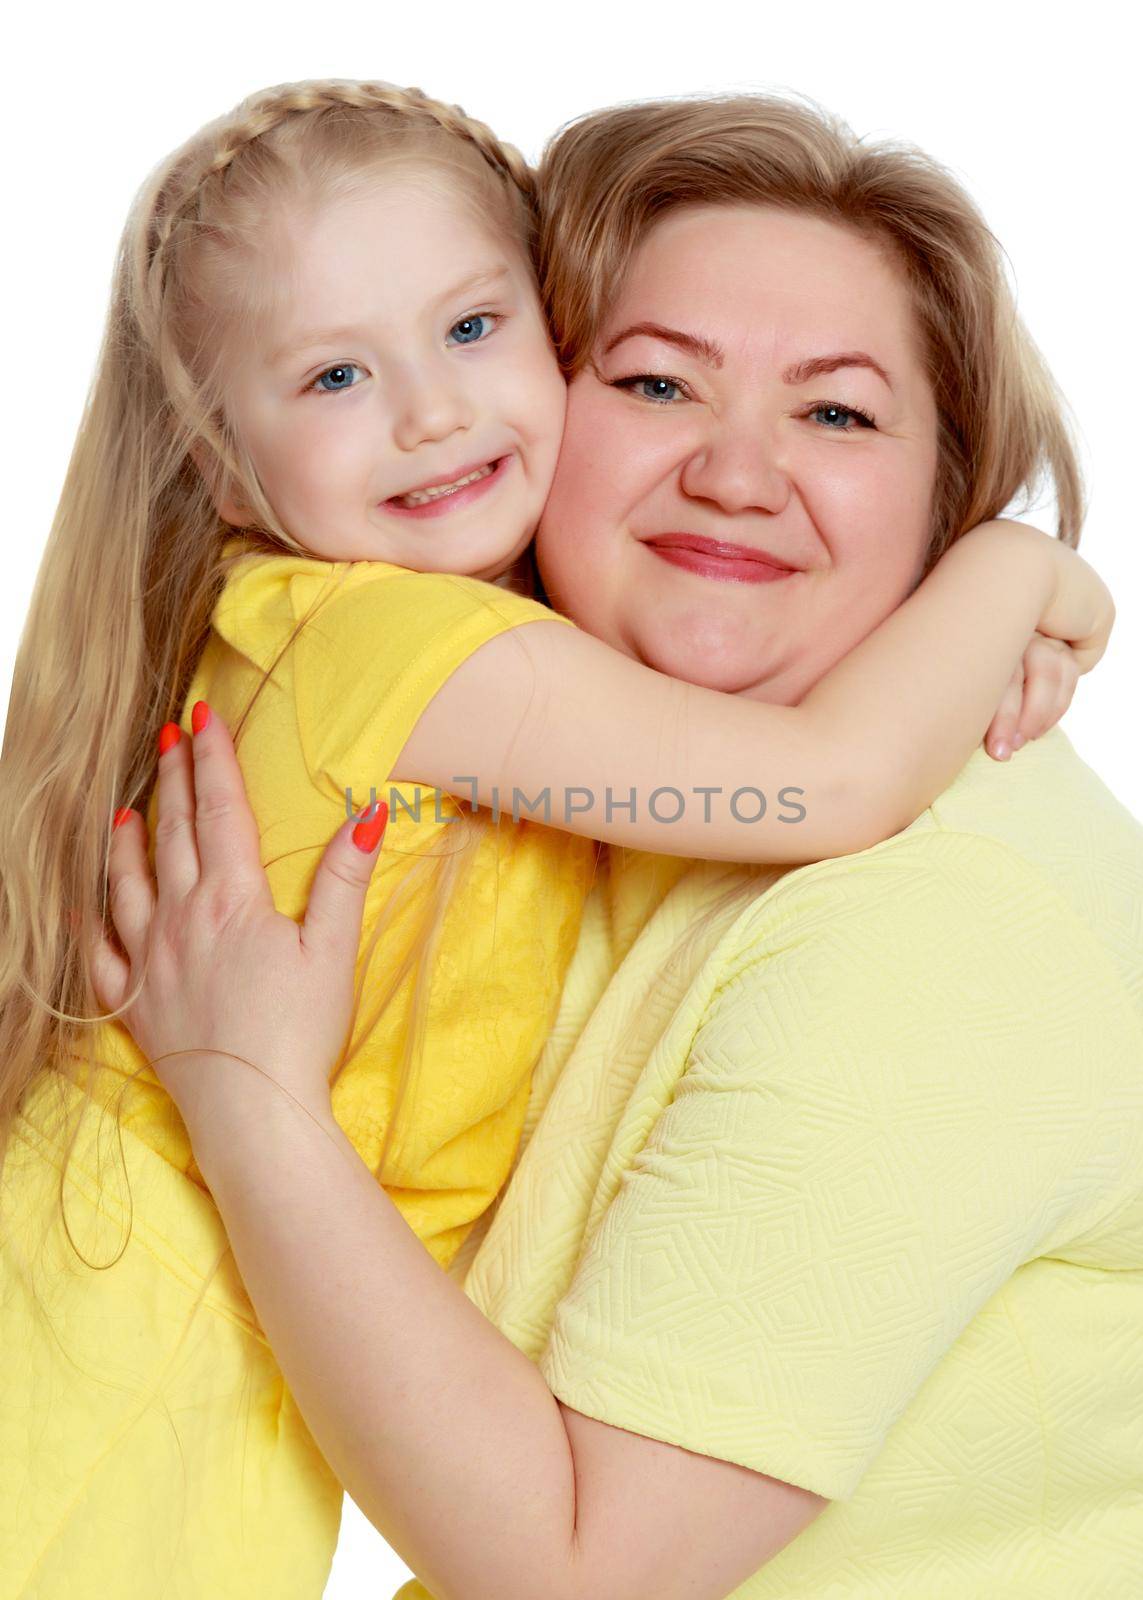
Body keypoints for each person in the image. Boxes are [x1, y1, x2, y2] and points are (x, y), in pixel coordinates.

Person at [0, 80, 1106, 1598]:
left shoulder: (927, 927)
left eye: (839, 411)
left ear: (946, 479)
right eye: (655, 384)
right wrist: (1022, 566)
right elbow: (821, 780)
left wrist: (1020, 557)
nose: (735, 470)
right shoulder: (466, 706)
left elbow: (575, 1572)